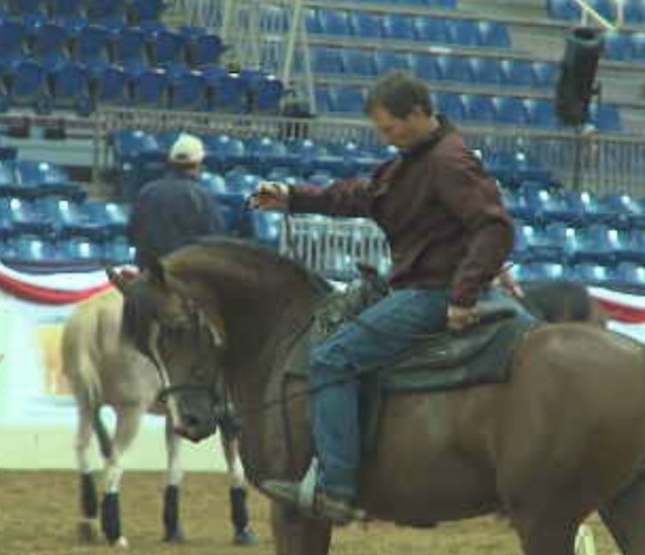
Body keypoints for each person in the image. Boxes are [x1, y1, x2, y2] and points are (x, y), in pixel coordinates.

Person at [250, 71, 516, 524]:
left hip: (430, 293)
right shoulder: (414, 159)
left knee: (331, 357)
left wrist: (462, 295)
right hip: (422, 287)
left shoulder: (448, 162)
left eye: (389, 127)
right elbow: (361, 195)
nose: (385, 137)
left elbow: (494, 227)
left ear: (417, 113)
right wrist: (294, 197)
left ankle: (336, 489)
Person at [127, 133, 226, 272]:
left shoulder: (147, 191)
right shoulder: (201, 196)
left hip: (149, 278)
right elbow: (215, 241)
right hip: (184, 279)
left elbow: (132, 233)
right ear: (199, 163)